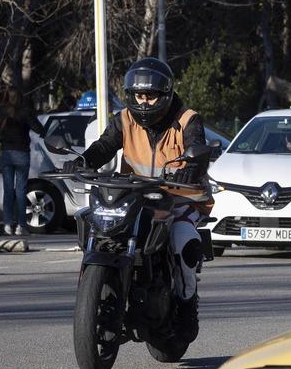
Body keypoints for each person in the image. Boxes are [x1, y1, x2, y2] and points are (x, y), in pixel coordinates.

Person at [65, 58, 211, 339]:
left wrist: (191, 169)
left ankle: (186, 299)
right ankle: (100, 289)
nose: (144, 103)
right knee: (97, 221)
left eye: (151, 96)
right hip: (136, 195)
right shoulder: (124, 120)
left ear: (165, 94)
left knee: (183, 238)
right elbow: (105, 146)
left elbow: (198, 149)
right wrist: (83, 160)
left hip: (181, 197)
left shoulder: (187, 119)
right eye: (139, 96)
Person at [0, 86, 43, 235]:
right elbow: (39, 129)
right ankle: (21, 226)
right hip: (22, 154)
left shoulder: (0, 112)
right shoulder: (25, 112)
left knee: (8, 190)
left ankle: (7, 224)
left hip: (6, 154)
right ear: (20, 97)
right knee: (21, 190)